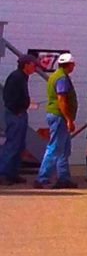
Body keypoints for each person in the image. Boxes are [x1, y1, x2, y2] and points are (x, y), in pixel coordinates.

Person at [35, 53, 78, 189]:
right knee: (54, 148)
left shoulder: (56, 75)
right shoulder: (61, 78)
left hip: (57, 115)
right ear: (70, 64)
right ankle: (43, 178)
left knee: (63, 149)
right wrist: (68, 119)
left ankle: (63, 178)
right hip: (59, 116)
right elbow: (61, 99)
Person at [2, 54, 36, 185]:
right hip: (16, 114)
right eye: (33, 65)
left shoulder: (21, 77)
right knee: (13, 144)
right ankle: (4, 173)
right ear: (26, 65)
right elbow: (8, 96)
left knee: (20, 145)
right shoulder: (16, 77)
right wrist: (16, 110)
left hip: (20, 112)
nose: (34, 67)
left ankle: (12, 173)